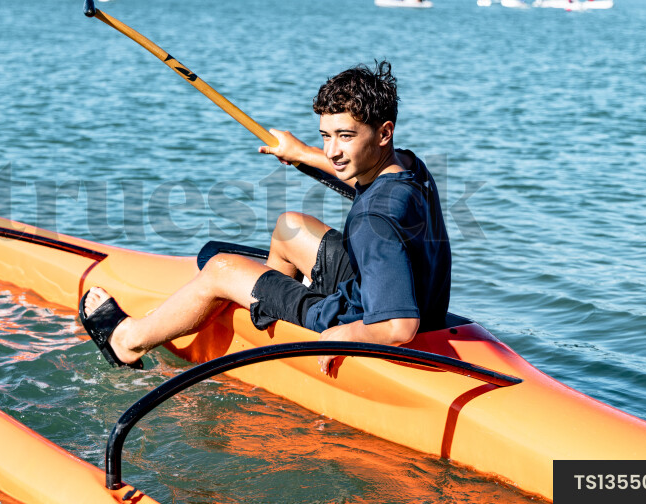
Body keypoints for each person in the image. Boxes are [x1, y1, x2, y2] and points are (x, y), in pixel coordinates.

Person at [79, 61, 451, 374]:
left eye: (345, 136)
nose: (333, 151)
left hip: (355, 318)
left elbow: (400, 327)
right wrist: (302, 153)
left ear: (383, 133)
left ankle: (128, 342)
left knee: (221, 267)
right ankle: (268, 309)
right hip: (388, 287)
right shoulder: (406, 164)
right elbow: (354, 170)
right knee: (289, 228)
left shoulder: (374, 221)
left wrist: (345, 336)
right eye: (325, 135)